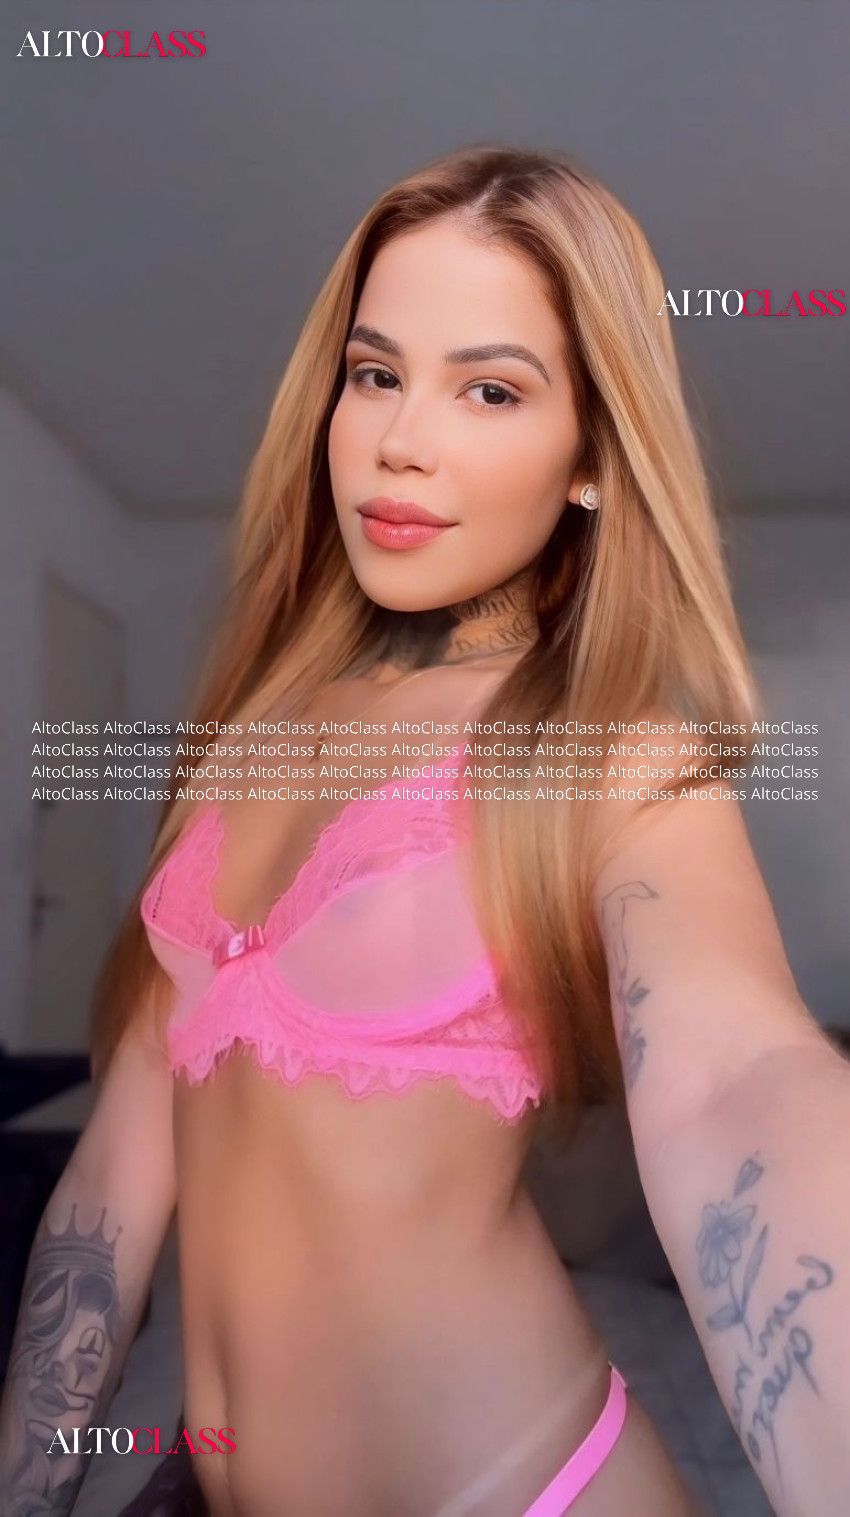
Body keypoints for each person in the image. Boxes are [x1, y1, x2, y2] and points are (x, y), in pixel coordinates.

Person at [1, 143, 843, 1517]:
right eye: (376, 372)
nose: (401, 439)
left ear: (590, 456)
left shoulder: (614, 754)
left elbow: (735, 1079)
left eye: (491, 389)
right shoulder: (248, 733)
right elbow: (116, 1174)